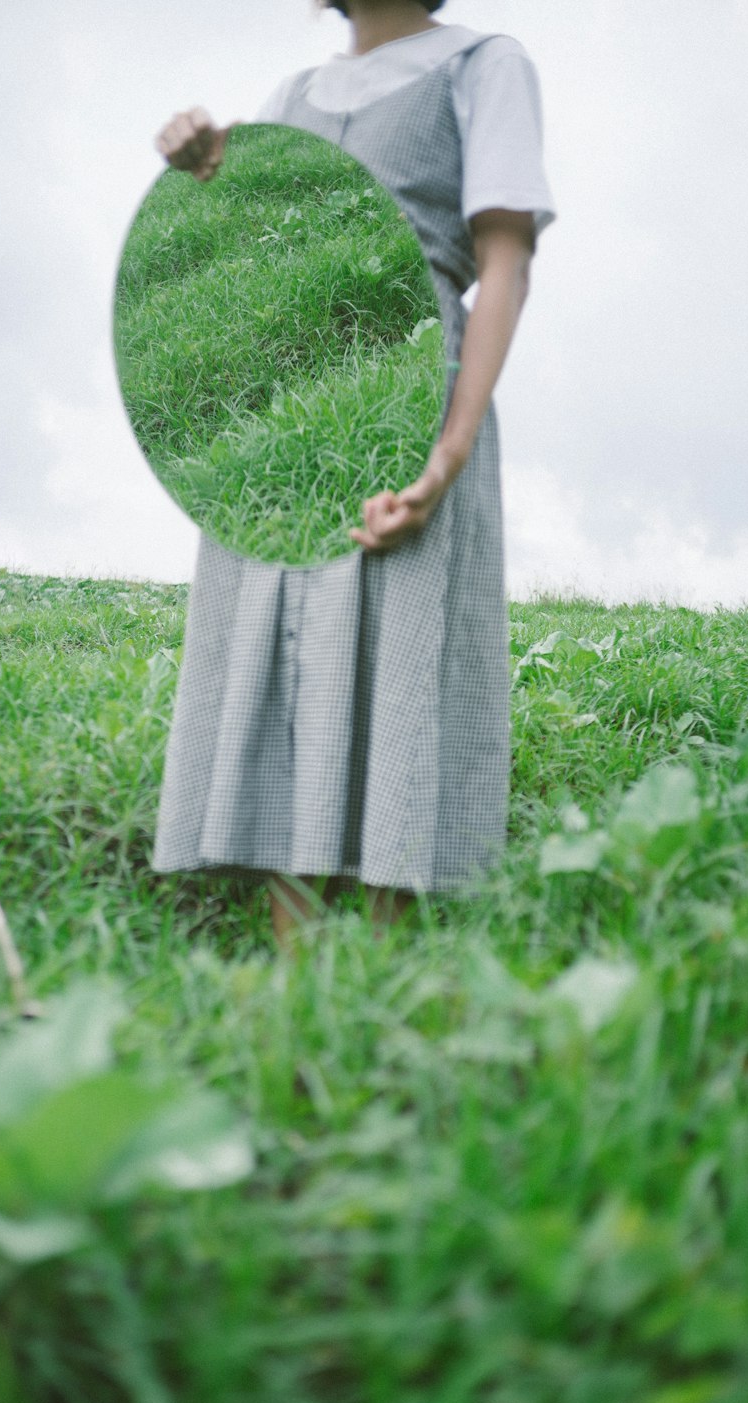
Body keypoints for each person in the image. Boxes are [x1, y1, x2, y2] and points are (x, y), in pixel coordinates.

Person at [152, 0, 556, 953]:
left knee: (400, 659)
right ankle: (297, 989)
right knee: (284, 663)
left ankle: (380, 987)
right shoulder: (290, 95)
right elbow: (241, 262)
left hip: (414, 398)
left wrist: (447, 454)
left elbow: (505, 261)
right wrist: (205, 176)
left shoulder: (482, 66)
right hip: (289, 409)